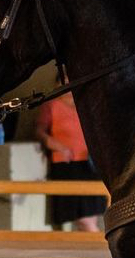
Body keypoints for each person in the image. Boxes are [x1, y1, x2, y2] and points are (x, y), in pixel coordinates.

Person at [36, 93, 104, 232]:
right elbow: (39, 131)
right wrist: (57, 146)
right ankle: (99, 247)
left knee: (91, 216)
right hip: (66, 165)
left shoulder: (85, 102)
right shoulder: (51, 104)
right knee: (82, 219)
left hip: (89, 164)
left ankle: (93, 248)